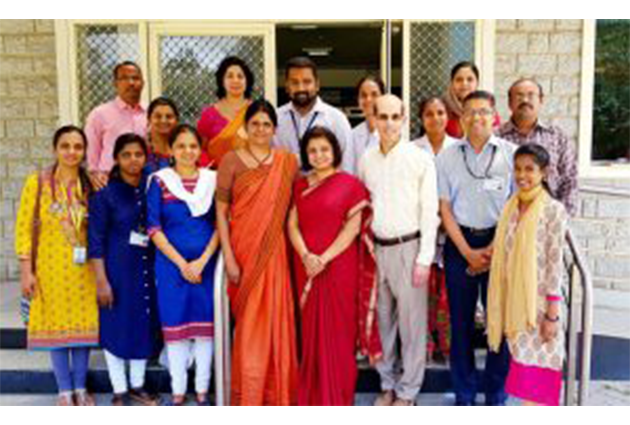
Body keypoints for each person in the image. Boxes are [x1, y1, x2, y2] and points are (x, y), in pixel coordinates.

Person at [288, 126, 382, 406]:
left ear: (335, 151)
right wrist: (306, 256)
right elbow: (292, 225)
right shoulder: (300, 186)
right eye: (312, 150)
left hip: (338, 267)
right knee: (310, 332)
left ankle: (338, 397)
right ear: (305, 154)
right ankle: (312, 396)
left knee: (339, 333)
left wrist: (323, 258)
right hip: (306, 267)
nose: (319, 155)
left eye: (324, 149)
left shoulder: (350, 185)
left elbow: (352, 229)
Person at [216, 100, 299, 406]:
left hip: (275, 253)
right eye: (255, 124)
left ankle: (276, 395)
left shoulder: (287, 162)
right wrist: (229, 257)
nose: (261, 130)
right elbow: (221, 212)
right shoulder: (230, 161)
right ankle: (249, 396)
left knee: (276, 322)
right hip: (243, 251)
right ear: (245, 127)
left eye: (266, 124)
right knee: (250, 326)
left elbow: (293, 210)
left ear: (274, 129)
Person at [359, 94, 440, 407]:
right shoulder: (366, 159)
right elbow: (364, 205)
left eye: (395, 117)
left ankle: (408, 391)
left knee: (411, 325)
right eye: (383, 117)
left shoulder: (419, 159)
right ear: (374, 119)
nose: (389, 123)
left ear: (404, 119)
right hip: (377, 250)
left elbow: (430, 211)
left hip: (409, 248)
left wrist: (424, 259)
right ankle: (387, 384)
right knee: (383, 323)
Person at [436, 91, 515, 406]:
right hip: (460, 244)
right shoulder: (447, 157)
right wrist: (468, 252)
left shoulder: (511, 154)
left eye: (483, 111)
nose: (477, 117)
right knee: (461, 324)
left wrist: (494, 247)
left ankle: (495, 394)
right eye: (470, 112)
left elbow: (516, 207)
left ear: (494, 116)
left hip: (500, 243)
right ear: (462, 118)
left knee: (499, 324)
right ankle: (465, 394)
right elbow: (445, 209)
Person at [16, 125, 97, 406]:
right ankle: (64, 390)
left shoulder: (90, 185)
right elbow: (23, 228)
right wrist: (26, 271)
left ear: (84, 151)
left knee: (83, 327)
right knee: (56, 328)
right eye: (65, 146)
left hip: (84, 271)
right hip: (49, 269)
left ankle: (81, 387)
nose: (71, 152)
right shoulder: (37, 183)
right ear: (55, 149)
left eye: (78, 147)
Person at [487, 144, 568, 406]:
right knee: (523, 374)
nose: (522, 175)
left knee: (541, 375)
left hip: (540, 307)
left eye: (530, 169)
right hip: (515, 304)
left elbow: (555, 264)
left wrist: (552, 314)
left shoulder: (553, 210)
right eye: (518, 169)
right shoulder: (511, 207)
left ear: (544, 172)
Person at [147, 124, 220, 406]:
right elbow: (154, 228)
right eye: (181, 146)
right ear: (170, 150)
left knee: (205, 330)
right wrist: (182, 264)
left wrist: (201, 262)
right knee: (175, 328)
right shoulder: (160, 181)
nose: (187, 151)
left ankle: (201, 390)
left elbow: (220, 225)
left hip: (206, 266)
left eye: (193, 146)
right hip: (171, 268)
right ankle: (177, 391)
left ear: (200, 150)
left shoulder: (212, 181)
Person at [88, 134, 160, 406]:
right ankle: (119, 389)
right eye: (126, 155)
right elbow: (95, 241)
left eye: (138, 154)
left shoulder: (151, 189)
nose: (133, 160)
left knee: (142, 324)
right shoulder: (104, 195)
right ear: (116, 159)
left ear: (146, 157)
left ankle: (137, 385)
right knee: (115, 325)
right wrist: (101, 281)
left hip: (147, 269)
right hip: (116, 271)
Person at [411, 97, 458, 363]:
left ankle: (448, 347)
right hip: (422, 230)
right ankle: (426, 347)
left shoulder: (458, 148)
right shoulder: (412, 149)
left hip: (452, 231)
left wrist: (446, 216)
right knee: (423, 293)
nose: (435, 118)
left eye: (440, 112)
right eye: (429, 113)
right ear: (422, 118)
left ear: (447, 116)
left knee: (448, 294)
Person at [498, 78, 578, 216]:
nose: (525, 100)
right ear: (509, 103)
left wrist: (562, 216)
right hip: (507, 218)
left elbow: (570, 178)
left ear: (541, 100)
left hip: (548, 218)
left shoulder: (557, 137)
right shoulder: (497, 137)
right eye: (519, 95)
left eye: (531, 95)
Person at [274, 57, 354, 173]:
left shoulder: (336, 119)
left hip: (326, 185)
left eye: (307, 82)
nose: (301, 88)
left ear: (317, 85)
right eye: (295, 82)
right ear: (287, 86)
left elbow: (347, 165)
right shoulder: (275, 119)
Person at [85, 61, 147, 188]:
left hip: (144, 182)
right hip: (108, 182)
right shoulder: (99, 114)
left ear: (142, 83)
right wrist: (93, 175)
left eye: (135, 78)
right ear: (115, 84)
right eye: (124, 78)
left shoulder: (151, 114)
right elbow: (91, 152)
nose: (131, 83)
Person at [197, 56, 254, 169]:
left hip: (251, 174)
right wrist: (211, 169)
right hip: (216, 175)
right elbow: (199, 148)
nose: (235, 80)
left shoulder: (256, 111)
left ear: (247, 81)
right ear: (222, 81)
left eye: (240, 76)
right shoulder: (209, 114)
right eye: (230, 76)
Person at [444, 61, 500, 139]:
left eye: (470, 79)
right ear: (452, 83)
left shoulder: (488, 110)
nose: (464, 83)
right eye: (459, 80)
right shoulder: (442, 110)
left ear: (477, 83)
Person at [350, 76, 385, 173]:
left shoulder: (392, 132)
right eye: (363, 95)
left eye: (374, 94)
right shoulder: (353, 135)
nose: (368, 99)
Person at [145, 97, 180, 174]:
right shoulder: (141, 151)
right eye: (158, 116)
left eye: (169, 116)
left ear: (177, 120)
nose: (163, 121)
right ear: (149, 119)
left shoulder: (184, 150)